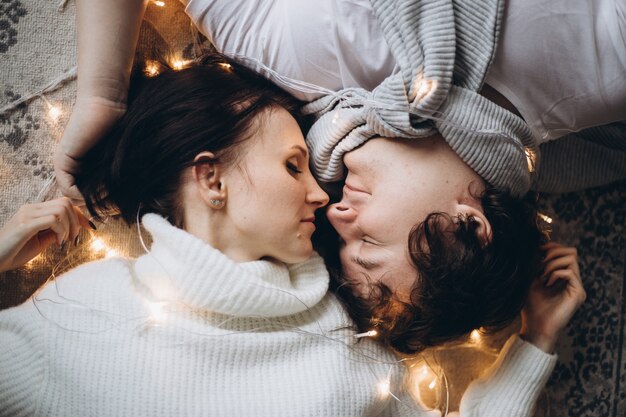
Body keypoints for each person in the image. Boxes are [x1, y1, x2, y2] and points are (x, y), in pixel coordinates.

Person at [0, 55, 584, 416]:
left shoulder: (355, 358)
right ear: (211, 179)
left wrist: (534, 344)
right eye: (292, 166)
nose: (324, 199)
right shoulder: (90, 302)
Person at [52, 0, 615, 352]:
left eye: (339, 238)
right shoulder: (603, 66)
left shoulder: (296, 71)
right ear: (471, 224)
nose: (336, 210)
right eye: (368, 240)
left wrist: (101, 94)